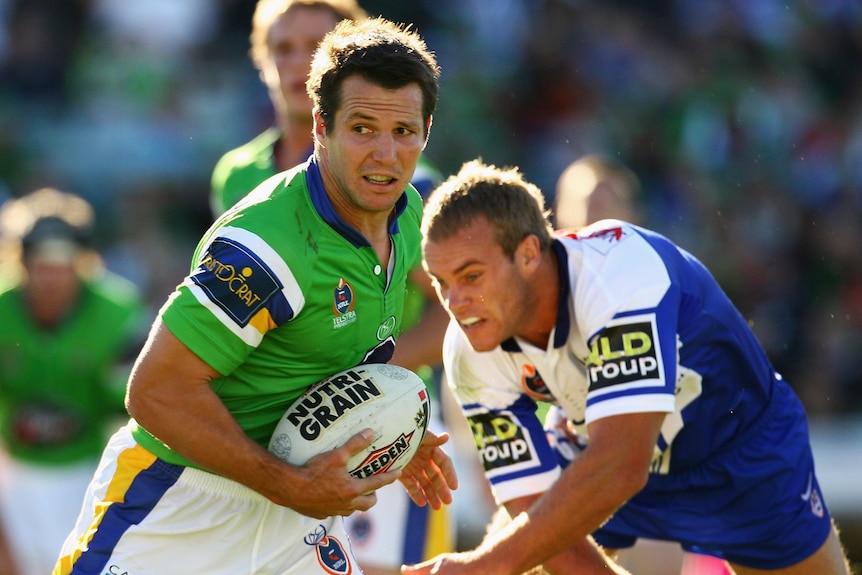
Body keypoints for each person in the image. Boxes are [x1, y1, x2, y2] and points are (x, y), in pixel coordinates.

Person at [53, 17, 457, 575]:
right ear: (321, 124)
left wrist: (392, 434)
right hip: (180, 504)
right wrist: (288, 483)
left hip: (296, 514)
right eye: (362, 128)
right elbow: (154, 392)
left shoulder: (411, 216)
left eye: (404, 132)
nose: (386, 155)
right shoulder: (270, 245)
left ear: (426, 131)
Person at [404, 159, 851, 575]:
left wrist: (480, 567)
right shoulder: (466, 349)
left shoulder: (616, 272)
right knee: (520, 544)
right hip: (596, 448)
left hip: (739, 450)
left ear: (528, 254)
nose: (454, 304)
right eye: (442, 282)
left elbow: (621, 464)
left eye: (471, 276)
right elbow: (532, 505)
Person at [209, 2, 454, 573]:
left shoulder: (405, 177)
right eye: (282, 47)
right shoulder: (239, 173)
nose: (298, 64)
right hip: (281, 436)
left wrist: (354, 387)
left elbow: (450, 311)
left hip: (389, 429)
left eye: (315, 48)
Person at [0, 187, 146, 575]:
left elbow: (134, 417)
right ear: (22, 261)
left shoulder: (118, 315)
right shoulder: (2, 308)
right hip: (13, 469)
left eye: (62, 264)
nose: (52, 278)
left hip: (90, 470)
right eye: (41, 264)